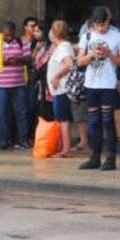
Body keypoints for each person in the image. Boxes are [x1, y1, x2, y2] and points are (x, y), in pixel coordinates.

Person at [77, 6, 120, 171]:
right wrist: (92, 54)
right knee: (93, 121)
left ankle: (111, 158)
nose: (100, 28)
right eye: (97, 25)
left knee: (107, 120)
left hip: (107, 84)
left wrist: (109, 55)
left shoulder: (118, 37)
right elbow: (79, 62)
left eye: (103, 25)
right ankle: (95, 156)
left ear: (108, 21)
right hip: (91, 84)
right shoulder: (87, 37)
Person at [0, 20, 32, 150]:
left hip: (18, 85)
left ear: (15, 33)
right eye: (6, 35)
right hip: (0, 85)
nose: (8, 38)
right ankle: (3, 142)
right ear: (1, 33)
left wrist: (18, 59)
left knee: (21, 113)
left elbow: (29, 59)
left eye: (11, 35)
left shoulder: (22, 43)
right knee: (1, 114)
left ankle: (23, 140)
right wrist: (1, 60)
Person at [47, 20, 75, 157]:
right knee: (63, 119)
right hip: (59, 90)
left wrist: (56, 76)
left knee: (62, 120)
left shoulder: (63, 47)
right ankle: (65, 147)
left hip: (62, 89)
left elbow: (69, 64)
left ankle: (66, 149)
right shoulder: (62, 46)